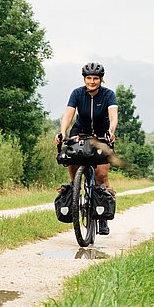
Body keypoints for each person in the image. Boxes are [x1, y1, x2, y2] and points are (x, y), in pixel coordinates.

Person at [54, 62, 118, 235]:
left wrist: (111, 132)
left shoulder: (108, 95)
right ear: (84, 79)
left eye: (95, 78)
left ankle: (102, 217)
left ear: (101, 79)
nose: (92, 81)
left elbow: (113, 117)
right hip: (80, 132)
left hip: (101, 134)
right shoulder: (77, 93)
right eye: (88, 78)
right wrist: (62, 132)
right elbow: (68, 114)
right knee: (71, 160)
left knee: (101, 175)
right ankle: (75, 192)